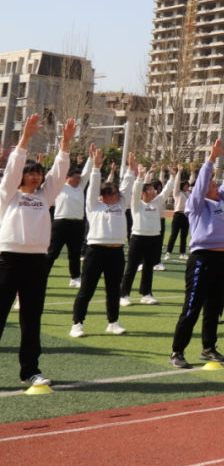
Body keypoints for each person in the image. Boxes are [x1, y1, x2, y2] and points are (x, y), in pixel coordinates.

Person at [0, 114, 74, 387]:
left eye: (37, 172)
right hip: (7, 260)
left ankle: (30, 370)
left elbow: (59, 173)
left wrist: (65, 144)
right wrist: (25, 138)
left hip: (36, 263)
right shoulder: (7, 194)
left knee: (31, 320)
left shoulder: (45, 196)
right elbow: (11, 171)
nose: (35, 176)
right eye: (29, 172)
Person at [168, 139, 224, 369]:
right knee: (192, 307)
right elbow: (201, 184)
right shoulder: (196, 204)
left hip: (222, 258)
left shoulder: (220, 203)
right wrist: (211, 159)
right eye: (213, 184)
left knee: (214, 307)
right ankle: (177, 352)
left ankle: (208, 348)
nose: (217, 186)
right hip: (202, 258)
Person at [71, 143, 135, 337]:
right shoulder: (93, 205)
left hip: (116, 251)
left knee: (113, 289)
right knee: (87, 290)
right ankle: (77, 324)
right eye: (109, 193)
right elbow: (91, 189)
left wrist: (131, 170)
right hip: (95, 251)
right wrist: (96, 168)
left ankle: (113, 322)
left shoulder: (121, 204)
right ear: (102, 196)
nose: (114, 195)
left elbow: (127, 187)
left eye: (115, 193)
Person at [120, 160, 175, 307]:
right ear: (144, 193)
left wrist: (172, 177)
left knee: (149, 267)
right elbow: (136, 190)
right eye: (150, 189)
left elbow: (166, 191)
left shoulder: (156, 203)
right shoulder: (137, 204)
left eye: (154, 190)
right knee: (131, 267)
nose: (154, 191)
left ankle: (146, 293)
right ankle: (124, 294)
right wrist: (141, 177)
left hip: (154, 238)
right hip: (138, 238)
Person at [48, 155, 92, 287]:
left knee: (75, 252)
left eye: (80, 178)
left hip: (77, 224)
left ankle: (75, 277)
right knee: (53, 252)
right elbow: (54, 174)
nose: (79, 180)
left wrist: (90, 158)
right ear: (67, 177)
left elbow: (87, 172)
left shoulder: (80, 187)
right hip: (60, 223)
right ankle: (42, 274)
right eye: (76, 178)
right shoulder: (60, 187)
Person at [164, 171, 191, 261]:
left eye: (188, 185)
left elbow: (192, 180)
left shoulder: (188, 194)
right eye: (186, 185)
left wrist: (192, 172)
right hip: (178, 215)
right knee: (174, 235)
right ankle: (168, 253)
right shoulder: (177, 193)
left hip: (186, 216)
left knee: (184, 236)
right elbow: (176, 184)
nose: (187, 187)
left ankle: (182, 253)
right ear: (182, 185)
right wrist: (179, 172)